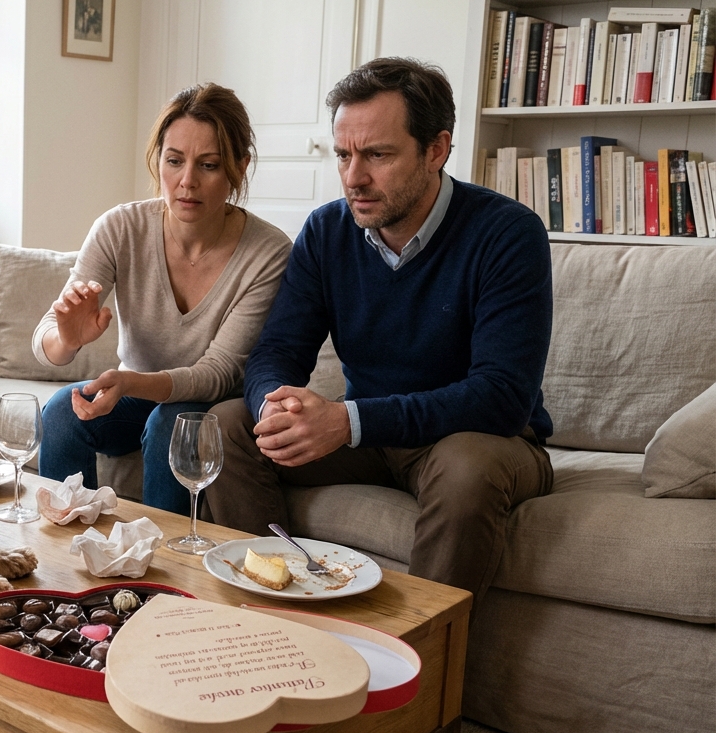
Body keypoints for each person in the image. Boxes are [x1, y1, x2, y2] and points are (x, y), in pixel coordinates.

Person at [201, 58, 555, 602]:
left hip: (480, 437)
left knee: (467, 467)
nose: (353, 176)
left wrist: (348, 421)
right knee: (228, 424)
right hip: (371, 435)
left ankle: (421, 666)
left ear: (436, 149)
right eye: (344, 154)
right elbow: (277, 349)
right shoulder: (327, 231)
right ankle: (269, 623)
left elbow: (502, 397)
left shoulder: (508, 233)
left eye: (377, 155)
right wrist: (274, 404)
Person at [35, 83, 293, 515]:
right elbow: (46, 340)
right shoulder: (120, 227)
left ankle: (162, 569)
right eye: (174, 161)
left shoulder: (268, 253)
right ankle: (68, 559)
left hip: (211, 406)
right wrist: (67, 339)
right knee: (63, 410)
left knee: (173, 423)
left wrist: (131, 381)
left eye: (208, 165)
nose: (186, 182)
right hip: (134, 394)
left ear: (238, 167)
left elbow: (217, 372)